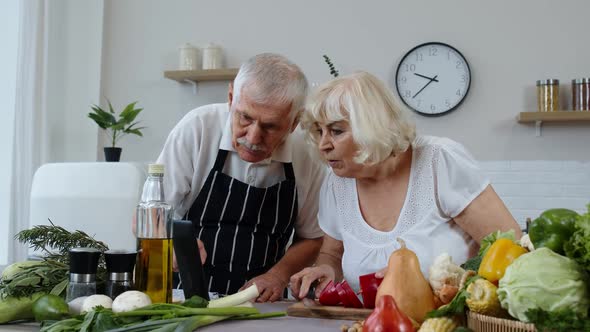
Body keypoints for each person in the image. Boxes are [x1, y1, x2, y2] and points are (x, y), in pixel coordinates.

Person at [289, 71, 522, 300]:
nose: (323, 145)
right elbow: (331, 253)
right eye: (319, 131)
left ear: (373, 127)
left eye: (336, 131)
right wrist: (325, 270)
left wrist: (433, 283)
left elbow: (512, 252)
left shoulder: (438, 160)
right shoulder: (337, 182)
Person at [156, 53, 326, 302]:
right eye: (245, 117)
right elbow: (149, 216)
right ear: (230, 98)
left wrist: (278, 276)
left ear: (293, 123)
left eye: (270, 127)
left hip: (263, 303)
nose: (253, 138)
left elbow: (313, 238)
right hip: (184, 298)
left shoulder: (307, 152)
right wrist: (168, 243)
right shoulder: (197, 129)